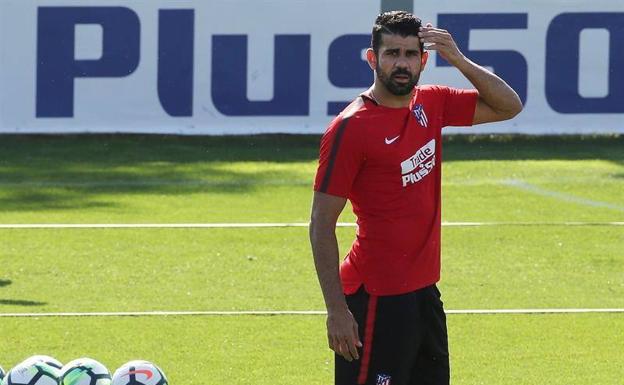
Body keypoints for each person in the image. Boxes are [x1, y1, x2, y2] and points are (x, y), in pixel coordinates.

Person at [309, 11, 522, 385]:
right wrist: (336, 311)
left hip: (424, 296)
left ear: (424, 60)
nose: (402, 63)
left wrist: (457, 58)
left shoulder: (432, 103)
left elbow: (509, 105)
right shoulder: (350, 128)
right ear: (372, 58)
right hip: (374, 299)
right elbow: (321, 224)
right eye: (392, 53)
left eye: (410, 54)